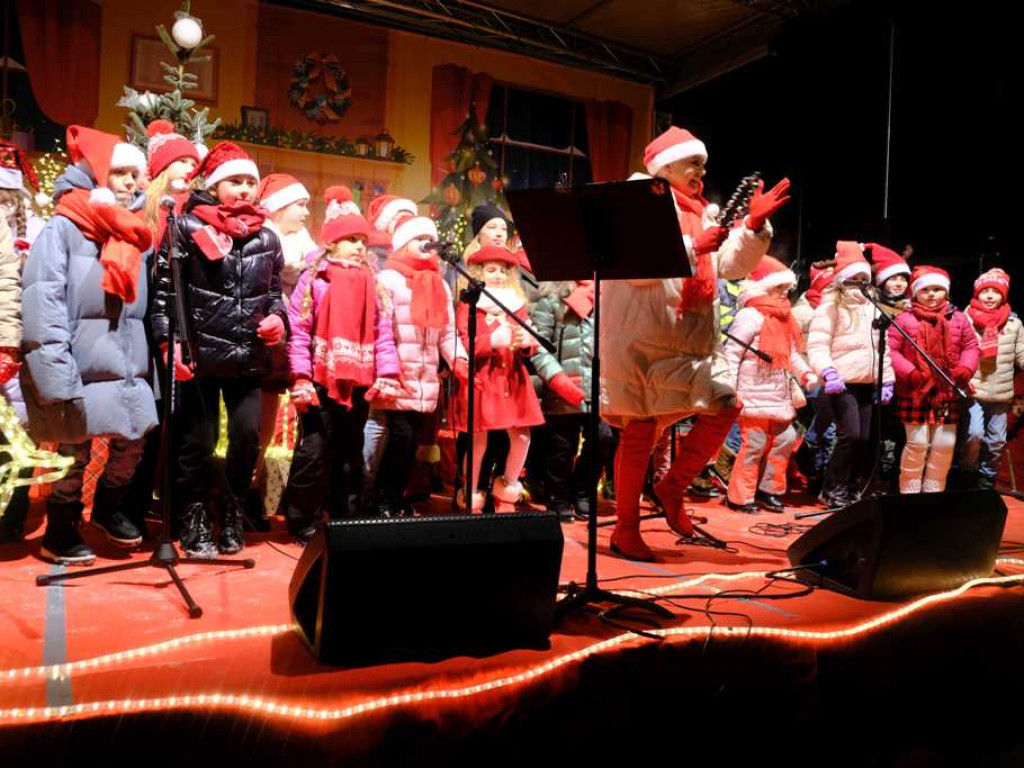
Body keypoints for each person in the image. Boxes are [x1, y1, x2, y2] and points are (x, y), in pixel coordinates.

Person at [601, 126, 790, 561]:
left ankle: (672, 487)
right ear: (664, 167)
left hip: (689, 340)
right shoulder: (635, 204)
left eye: (703, 164)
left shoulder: (704, 212)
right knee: (641, 431)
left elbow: (728, 267)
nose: (700, 171)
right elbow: (634, 269)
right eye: (692, 163)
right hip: (642, 341)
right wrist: (691, 246)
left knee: (726, 406)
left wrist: (753, 227)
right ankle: (625, 530)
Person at [20, 126, 156, 565]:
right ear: (93, 173)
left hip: (125, 360)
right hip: (78, 358)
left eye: (136, 174)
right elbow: (43, 300)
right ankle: (61, 526)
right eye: (119, 172)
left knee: (131, 443)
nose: (131, 183)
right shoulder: (63, 227)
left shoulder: (137, 233)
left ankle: (108, 508)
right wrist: (54, 369)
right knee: (75, 448)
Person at [150, 141, 287, 557]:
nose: (244, 189)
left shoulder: (267, 237)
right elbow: (163, 294)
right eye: (235, 181)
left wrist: (277, 319)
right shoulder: (188, 227)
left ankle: (231, 510)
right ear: (215, 185)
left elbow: (276, 293)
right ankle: (193, 518)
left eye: (250, 182)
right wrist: (167, 343)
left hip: (247, 358)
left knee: (247, 437)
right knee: (198, 441)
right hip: (201, 357)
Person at [283, 196, 401, 542]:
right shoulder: (315, 278)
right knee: (316, 447)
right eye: (351, 240)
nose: (359, 247)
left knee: (350, 449)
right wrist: (301, 376)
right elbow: (299, 329)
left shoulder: (372, 281)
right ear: (332, 241)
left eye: (363, 241)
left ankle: (344, 516)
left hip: (358, 378)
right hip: (321, 377)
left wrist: (387, 374)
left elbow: (382, 332)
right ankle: (301, 518)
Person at [372, 215, 466, 516]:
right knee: (399, 438)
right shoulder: (389, 280)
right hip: (398, 373)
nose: (426, 243)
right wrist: (386, 367)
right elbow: (380, 327)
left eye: (430, 237)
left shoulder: (440, 284)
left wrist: (459, 358)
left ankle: (395, 497)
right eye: (418, 237)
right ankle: (380, 498)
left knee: (411, 442)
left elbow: (447, 333)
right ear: (402, 244)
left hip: (425, 378)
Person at [452, 244, 544, 511]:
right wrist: (490, 341)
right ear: (478, 272)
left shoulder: (516, 305)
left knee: (522, 437)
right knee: (479, 441)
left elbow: (528, 341)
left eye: (503, 271)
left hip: (512, 379)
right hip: (485, 378)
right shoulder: (470, 305)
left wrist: (528, 341)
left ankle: (508, 488)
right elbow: (464, 342)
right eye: (491, 270)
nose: (498, 276)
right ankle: (471, 493)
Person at [723, 257, 816, 513]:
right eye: (779, 288)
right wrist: (729, 388)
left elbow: (792, 353)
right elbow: (732, 353)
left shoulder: (786, 318)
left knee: (784, 441)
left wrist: (806, 373)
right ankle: (740, 497)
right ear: (763, 288)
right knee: (753, 447)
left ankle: (770, 490)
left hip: (779, 396)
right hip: (752, 396)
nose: (785, 293)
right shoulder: (749, 317)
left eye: (787, 288)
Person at [807, 242, 895, 508]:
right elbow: (817, 344)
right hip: (841, 383)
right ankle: (832, 488)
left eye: (863, 278)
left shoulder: (873, 308)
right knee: (851, 436)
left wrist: (887, 379)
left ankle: (853, 487)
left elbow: (884, 348)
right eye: (854, 278)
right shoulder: (830, 305)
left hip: (867, 382)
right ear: (843, 278)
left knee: (866, 439)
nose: (859, 283)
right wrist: (827, 371)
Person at [889, 266, 978, 493]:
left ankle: (933, 492)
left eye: (937, 289)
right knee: (917, 443)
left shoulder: (958, 318)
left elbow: (970, 346)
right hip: (916, 391)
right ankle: (909, 492)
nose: (931, 294)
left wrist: (965, 368)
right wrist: (910, 373)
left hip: (945, 392)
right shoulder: (905, 319)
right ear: (915, 292)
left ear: (946, 292)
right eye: (925, 289)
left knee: (944, 444)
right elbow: (892, 350)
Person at [530, 279, 612, 522]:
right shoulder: (551, 298)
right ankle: (559, 497)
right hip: (564, 385)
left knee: (604, 438)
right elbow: (539, 345)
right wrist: (557, 377)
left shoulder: (608, 297)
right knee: (560, 448)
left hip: (601, 387)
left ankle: (583, 490)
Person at [959, 267, 1023, 489]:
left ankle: (987, 478)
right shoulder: (965, 319)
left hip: (1001, 393)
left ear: (1003, 295)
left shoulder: (1014, 324)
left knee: (996, 440)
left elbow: (1021, 354)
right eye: (984, 291)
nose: (989, 296)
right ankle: (967, 474)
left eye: (995, 292)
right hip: (974, 389)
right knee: (973, 434)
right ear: (977, 293)